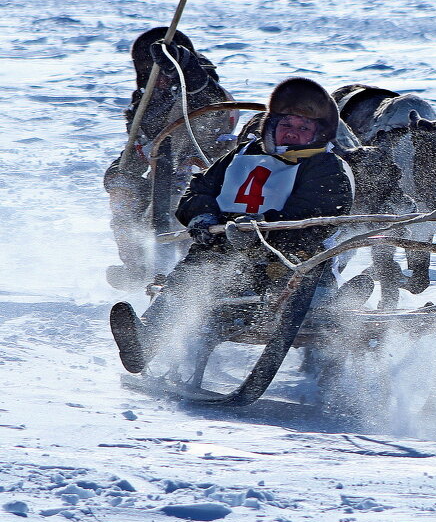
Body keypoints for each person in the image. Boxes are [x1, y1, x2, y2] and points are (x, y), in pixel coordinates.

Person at [109, 77, 355, 375]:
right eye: (287, 124)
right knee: (190, 277)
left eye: (304, 128)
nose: (293, 133)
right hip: (220, 249)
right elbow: (198, 191)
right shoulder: (239, 156)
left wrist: (262, 230)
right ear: (272, 124)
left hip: (290, 265)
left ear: (319, 132)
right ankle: (145, 339)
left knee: (266, 281)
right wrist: (201, 217)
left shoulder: (326, 167)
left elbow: (317, 218)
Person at [104, 27, 234, 289]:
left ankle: (195, 276)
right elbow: (136, 151)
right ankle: (138, 267)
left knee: (184, 208)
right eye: (151, 69)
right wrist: (120, 175)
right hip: (158, 185)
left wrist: (184, 67)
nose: (159, 77)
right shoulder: (145, 105)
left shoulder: (201, 90)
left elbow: (207, 99)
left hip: (206, 180)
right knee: (123, 198)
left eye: (163, 70)